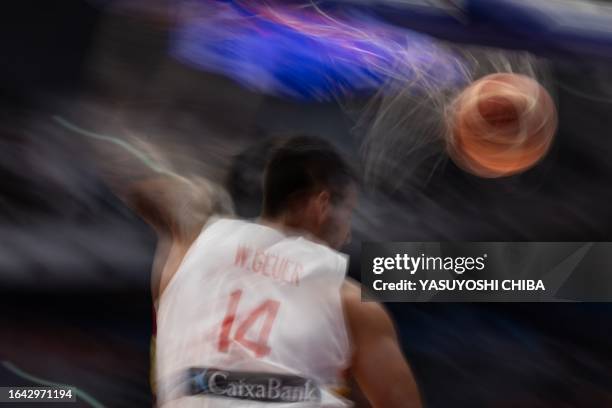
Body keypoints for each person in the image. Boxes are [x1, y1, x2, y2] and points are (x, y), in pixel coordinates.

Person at [96, 134, 422, 407]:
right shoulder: (347, 298)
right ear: (321, 204)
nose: (348, 232)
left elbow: (136, 180)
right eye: (348, 213)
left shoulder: (192, 246)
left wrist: (199, 191)